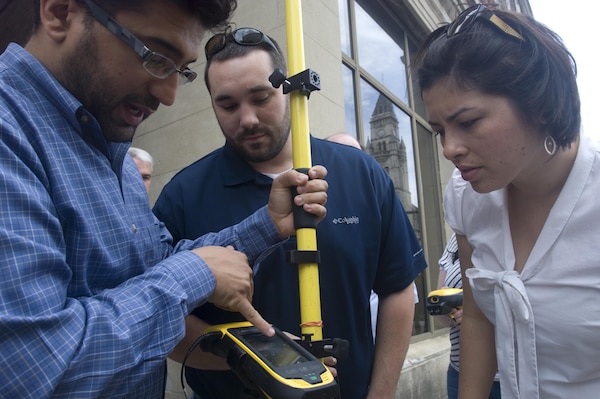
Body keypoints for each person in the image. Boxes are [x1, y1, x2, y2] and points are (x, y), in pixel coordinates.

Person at [0, 1, 330, 397]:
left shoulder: (110, 147)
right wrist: (194, 274)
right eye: (156, 56)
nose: (169, 94)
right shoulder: (10, 133)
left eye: (181, 69)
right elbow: (31, 366)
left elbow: (156, 262)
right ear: (58, 12)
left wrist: (267, 225)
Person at [153, 28, 427, 399]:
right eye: (228, 105)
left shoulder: (361, 173)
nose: (247, 119)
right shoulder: (183, 196)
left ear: (288, 88)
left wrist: (381, 394)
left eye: (260, 97)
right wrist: (253, 358)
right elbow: (163, 320)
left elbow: (397, 289)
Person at [414, 4, 600, 398]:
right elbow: (479, 316)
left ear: (539, 105)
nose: (449, 148)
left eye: (468, 122)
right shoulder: (466, 196)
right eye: (439, 130)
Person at [434, 233, 500, 399]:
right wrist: (451, 312)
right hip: (461, 370)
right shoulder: (454, 242)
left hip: (508, 375)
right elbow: (440, 314)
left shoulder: (507, 230)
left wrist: (477, 316)